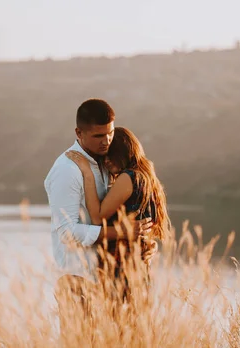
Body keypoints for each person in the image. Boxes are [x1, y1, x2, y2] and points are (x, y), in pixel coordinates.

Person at [44, 99, 157, 323]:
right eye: (98, 136)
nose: (106, 141)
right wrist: (121, 233)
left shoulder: (106, 163)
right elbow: (66, 232)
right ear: (79, 132)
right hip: (78, 278)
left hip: (109, 281)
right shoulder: (68, 170)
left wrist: (143, 243)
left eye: (110, 133)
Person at [65, 126, 170, 302]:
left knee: (68, 286)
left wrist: (87, 174)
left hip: (121, 273)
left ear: (123, 151)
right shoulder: (146, 177)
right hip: (135, 272)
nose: (105, 161)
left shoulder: (128, 177)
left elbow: (98, 217)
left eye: (109, 155)